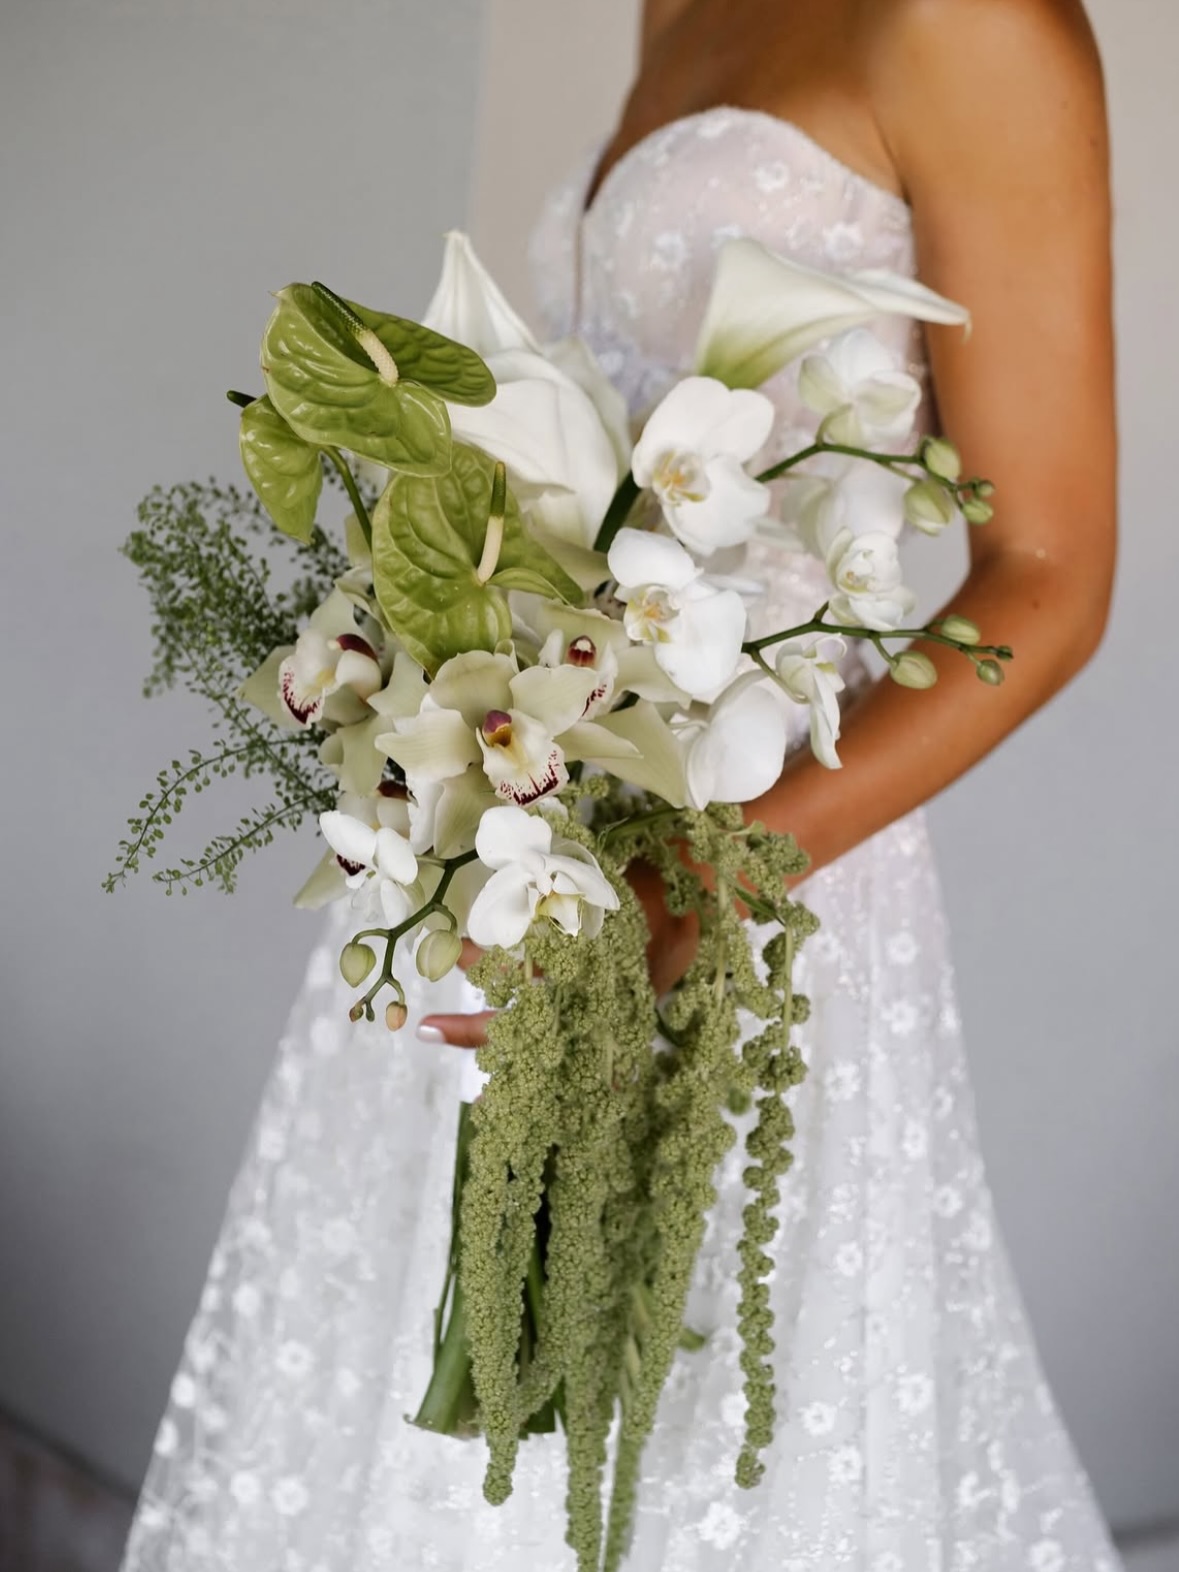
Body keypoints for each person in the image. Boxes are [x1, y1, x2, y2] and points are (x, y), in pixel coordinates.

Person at [121, 0, 1121, 1567]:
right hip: (530, 821)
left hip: (751, 862)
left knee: (697, 1423)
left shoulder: (972, 24)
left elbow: (1052, 576)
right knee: (451, 1409)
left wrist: (704, 881)